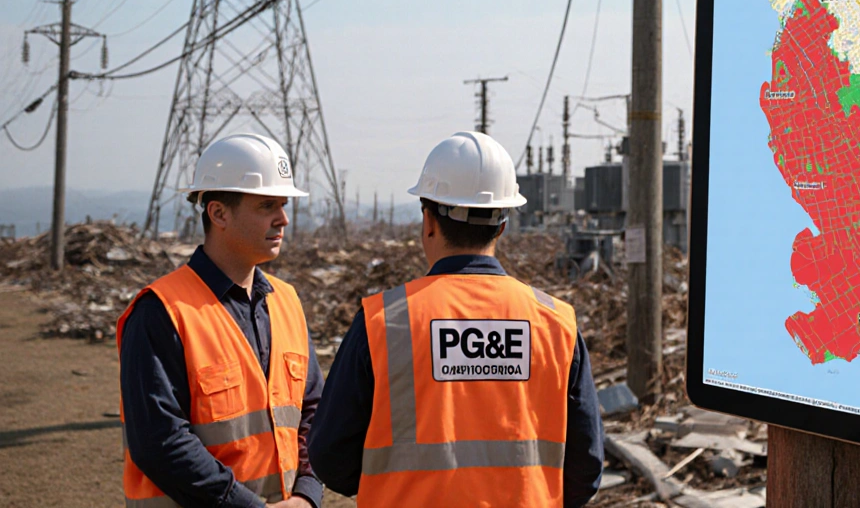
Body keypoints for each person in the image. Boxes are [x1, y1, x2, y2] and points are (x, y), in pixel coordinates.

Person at [309, 131, 604, 507]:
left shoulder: (383, 322)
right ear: (502, 225)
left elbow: (330, 459)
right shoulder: (556, 323)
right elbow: (585, 470)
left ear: (428, 221)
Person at [117, 133, 324, 507]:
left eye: (284, 204)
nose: (284, 219)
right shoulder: (161, 311)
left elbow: (312, 414)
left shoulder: (287, 302)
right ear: (218, 213)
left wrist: (307, 495)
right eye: (267, 206)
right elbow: (159, 442)